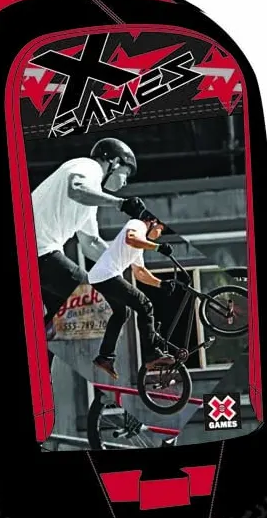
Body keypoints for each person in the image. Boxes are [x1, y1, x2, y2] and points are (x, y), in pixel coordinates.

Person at [31, 138, 148, 334]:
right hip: (39, 252)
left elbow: (90, 243)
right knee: (98, 300)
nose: (125, 181)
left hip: (40, 255)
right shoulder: (88, 167)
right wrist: (120, 203)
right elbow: (76, 190)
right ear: (114, 162)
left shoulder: (91, 195)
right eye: (126, 174)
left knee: (61, 318)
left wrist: (128, 260)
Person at [87, 209, 175, 380]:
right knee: (145, 305)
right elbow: (130, 238)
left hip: (100, 277)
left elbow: (140, 272)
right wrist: (158, 247)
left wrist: (160, 283)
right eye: (161, 230)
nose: (159, 235)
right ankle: (151, 354)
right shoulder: (138, 224)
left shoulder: (140, 245)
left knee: (122, 313)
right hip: (107, 275)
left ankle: (105, 356)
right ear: (153, 221)